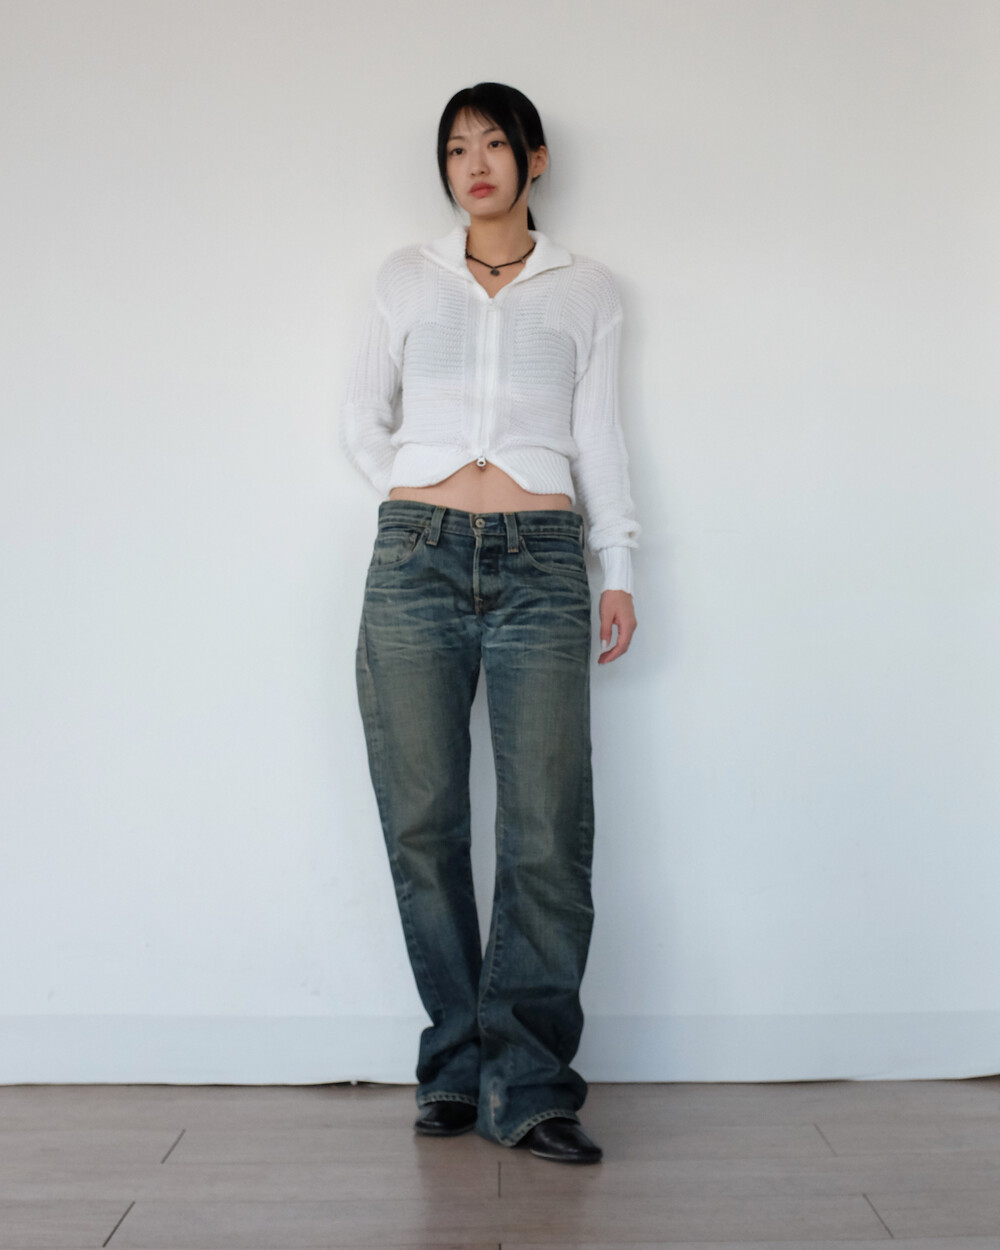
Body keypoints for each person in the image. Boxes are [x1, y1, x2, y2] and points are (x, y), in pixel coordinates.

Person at [339, 82, 640, 1165]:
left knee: (547, 829)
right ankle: (458, 1067)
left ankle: (532, 1086)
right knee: (423, 822)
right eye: (456, 148)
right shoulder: (403, 277)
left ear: (533, 159)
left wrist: (616, 563)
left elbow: (598, 434)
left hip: (544, 563)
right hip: (413, 561)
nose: (474, 164)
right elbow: (359, 414)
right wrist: (419, 490)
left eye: (495, 144)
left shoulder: (587, 290)